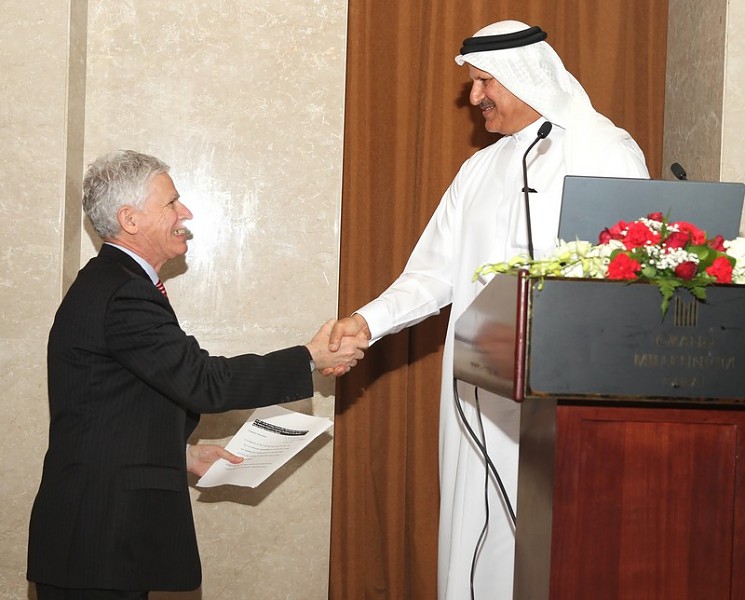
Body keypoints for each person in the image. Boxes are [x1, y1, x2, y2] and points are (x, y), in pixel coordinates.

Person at [326, 20, 650, 599]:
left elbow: (627, 272)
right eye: (473, 83)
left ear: (526, 77)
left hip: (565, 388)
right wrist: (367, 321)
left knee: (554, 538)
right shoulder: (479, 168)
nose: (474, 97)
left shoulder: (604, 150)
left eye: (484, 82)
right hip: (479, 384)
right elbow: (432, 273)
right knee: (477, 524)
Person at [27, 150, 367, 599]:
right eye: (171, 202)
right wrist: (310, 357)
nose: (184, 212)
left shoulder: (114, 282)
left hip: (99, 538)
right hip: (99, 540)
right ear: (130, 220)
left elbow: (115, 402)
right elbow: (204, 382)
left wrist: (180, 454)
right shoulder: (124, 292)